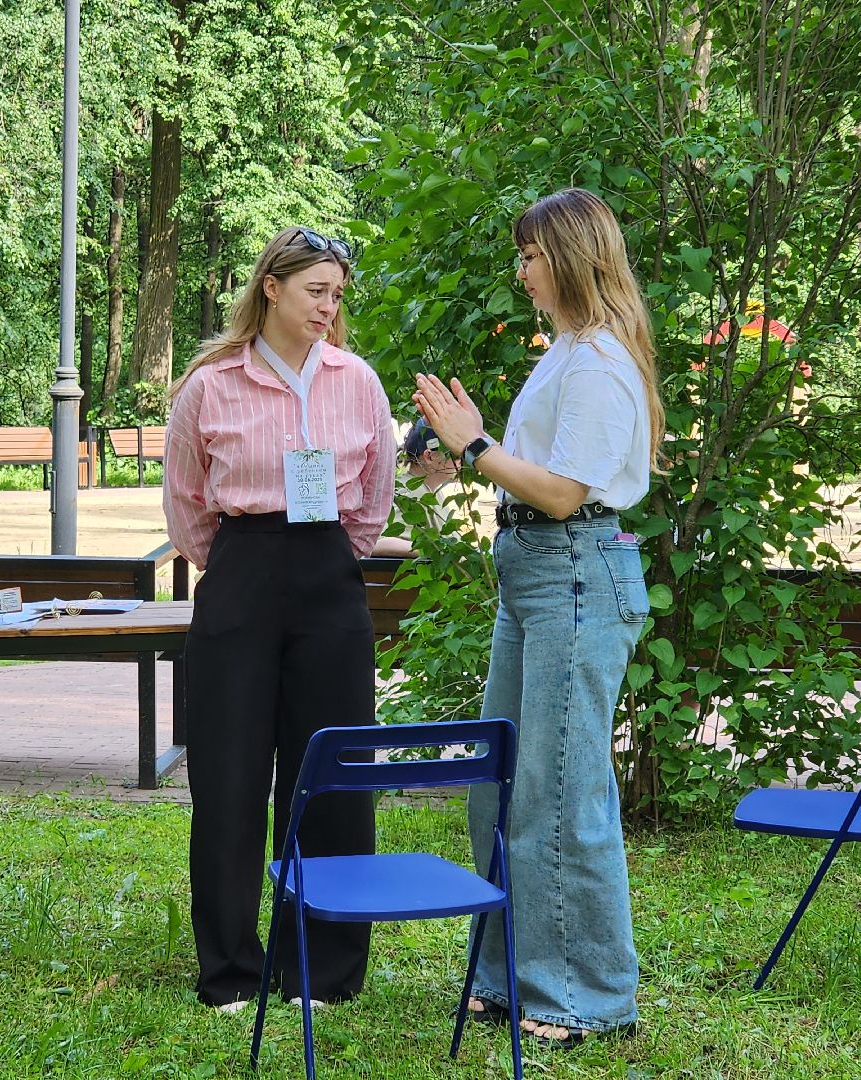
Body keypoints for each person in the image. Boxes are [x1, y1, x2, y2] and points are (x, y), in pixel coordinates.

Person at [412, 188, 664, 1048]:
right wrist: (458, 455)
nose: (521, 272)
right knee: (501, 783)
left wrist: (476, 446)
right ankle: (506, 979)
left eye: (531, 256)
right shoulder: (565, 351)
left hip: (575, 576)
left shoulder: (596, 361)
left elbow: (561, 494)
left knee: (559, 792)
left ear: (572, 258)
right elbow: (536, 472)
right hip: (538, 574)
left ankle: (584, 999)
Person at [162, 226, 396, 1013]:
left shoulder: (357, 381)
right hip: (241, 577)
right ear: (271, 287)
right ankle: (230, 970)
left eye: (337, 294)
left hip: (330, 579)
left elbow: (372, 501)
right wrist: (243, 564)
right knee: (228, 776)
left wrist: (323, 559)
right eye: (315, 291)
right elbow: (187, 504)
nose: (329, 307)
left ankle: (321, 969)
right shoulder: (210, 386)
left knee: (331, 775)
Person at [370, 418, 459, 557]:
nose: (461, 459)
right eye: (455, 453)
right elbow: (377, 543)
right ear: (430, 456)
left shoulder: (431, 490)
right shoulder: (407, 493)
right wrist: (439, 553)